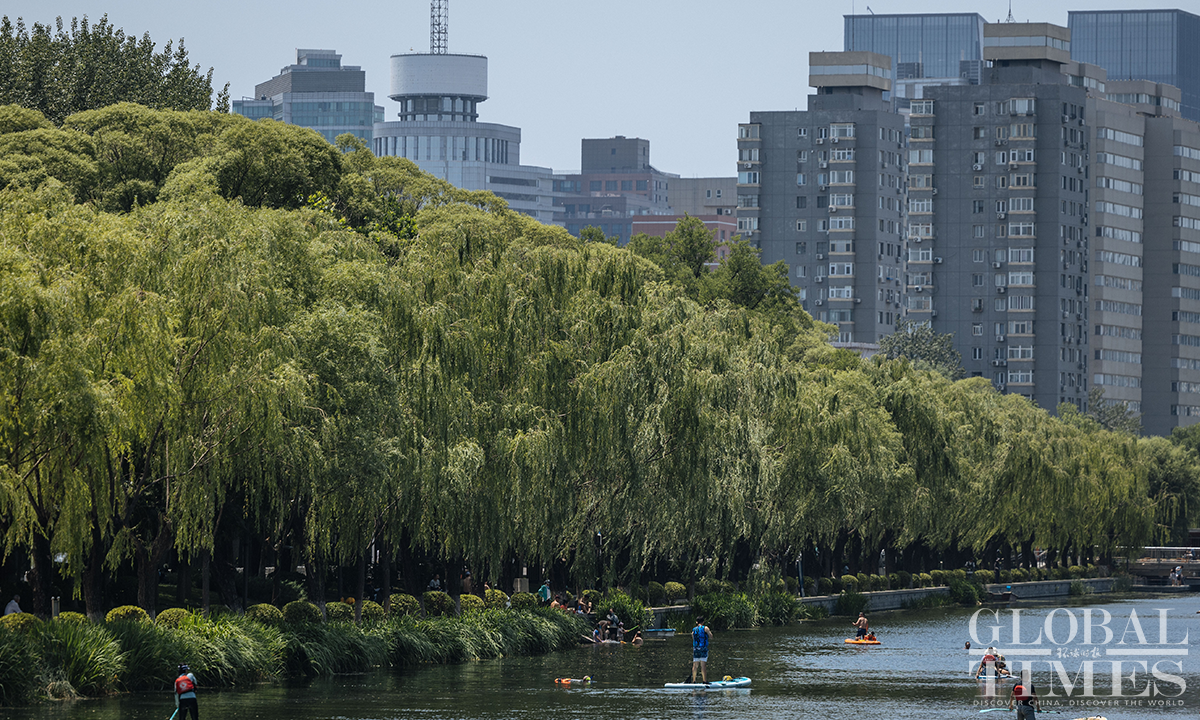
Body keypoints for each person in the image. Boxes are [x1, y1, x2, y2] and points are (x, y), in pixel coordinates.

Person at [691, 616, 713, 683]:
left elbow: (693, 637)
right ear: (703, 622)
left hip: (696, 649)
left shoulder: (694, 629)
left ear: (696, 622)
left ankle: (694, 680)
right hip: (703, 649)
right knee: (703, 665)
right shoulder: (705, 628)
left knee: (695, 665)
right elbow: (711, 636)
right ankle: (704, 680)